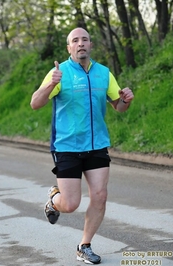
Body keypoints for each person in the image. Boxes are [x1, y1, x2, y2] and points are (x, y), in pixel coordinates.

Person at [30, 27, 134, 265]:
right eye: (75, 40)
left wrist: (126, 100)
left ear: (91, 45)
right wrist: (49, 85)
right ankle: (54, 199)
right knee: (70, 204)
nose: (80, 44)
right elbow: (35, 103)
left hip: (97, 144)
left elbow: (118, 106)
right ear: (69, 48)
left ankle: (84, 246)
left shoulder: (104, 73)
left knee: (100, 195)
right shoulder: (59, 72)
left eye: (84, 39)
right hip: (67, 146)